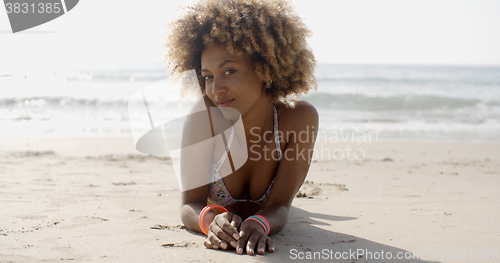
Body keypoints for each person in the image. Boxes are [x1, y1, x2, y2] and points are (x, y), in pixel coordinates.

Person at [163, 0, 318, 255]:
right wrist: (212, 221)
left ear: (265, 68)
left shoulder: (298, 120)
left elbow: (280, 206)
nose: (215, 89)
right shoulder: (205, 119)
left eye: (229, 71)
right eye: (208, 76)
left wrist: (260, 223)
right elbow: (190, 204)